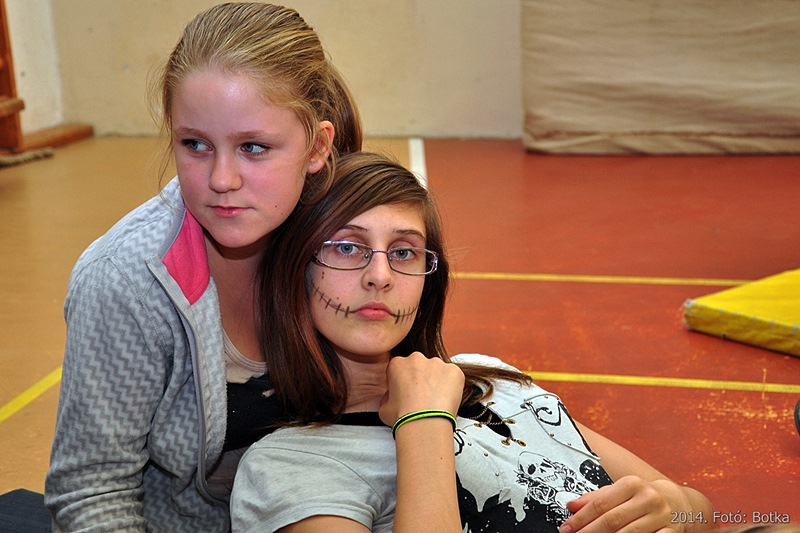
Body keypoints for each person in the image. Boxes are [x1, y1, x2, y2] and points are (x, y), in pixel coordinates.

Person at [230, 152, 716, 532]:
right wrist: (423, 422)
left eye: (404, 252)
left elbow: (704, 512)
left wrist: (676, 504)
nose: (380, 275)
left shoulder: (491, 378)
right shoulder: (293, 464)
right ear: (296, 269)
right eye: (346, 247)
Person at [44, 3, 362, 531]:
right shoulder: (125, 282)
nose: (221, 179)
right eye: (195, 145)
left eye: (253, 147)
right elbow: (92, 493)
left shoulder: (350, 243)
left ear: (317, 147)